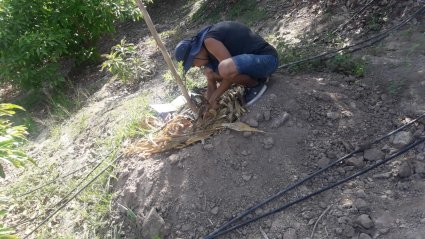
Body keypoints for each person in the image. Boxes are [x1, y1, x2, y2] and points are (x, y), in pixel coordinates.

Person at [174, 21, 278, 108]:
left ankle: (256, 86)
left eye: (193, 64)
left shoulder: (210, 41)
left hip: (268, 60)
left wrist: (215, 97)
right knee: (209, 72)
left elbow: (228, 72)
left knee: (224, 68)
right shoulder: (207, 50)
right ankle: (257, 80)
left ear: (195, 54)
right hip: (255, 64)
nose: (196, 67)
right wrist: (208, 105)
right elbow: (211, 79)